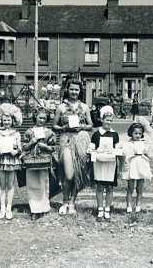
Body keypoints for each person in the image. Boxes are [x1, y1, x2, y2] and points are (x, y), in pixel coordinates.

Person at [53, 78, 93, 215]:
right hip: (66, 140)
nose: (74, 92)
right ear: (67, 90)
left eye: (76, 89)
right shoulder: (61, 107)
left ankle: (71, 203)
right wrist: (63, 127)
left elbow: (90, 125)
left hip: (81, 140)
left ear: (80, 91)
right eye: (71, 89)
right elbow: (54, 126)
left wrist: (82, 126)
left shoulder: (85, 107)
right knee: (68, 174)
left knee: (78, 174)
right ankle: (64, 200)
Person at [22, 108, 56, 221]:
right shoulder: (29, 132)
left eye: (44, 118)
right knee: (32, 183)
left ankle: (44, 207)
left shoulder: (49, 132)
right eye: (40, 117)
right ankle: (34, 208)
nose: (41, 120)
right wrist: (32, 142)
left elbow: (53, 148)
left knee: (43, 183)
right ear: (35, 117)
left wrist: (44, 146)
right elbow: (24, 147)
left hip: (44, 161)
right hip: (31, 160)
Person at [0, 103, 23, 220]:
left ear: (12, 120)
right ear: (1, 120)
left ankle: (9, 208)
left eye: (8, 120)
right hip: (1, 159)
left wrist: (16, 151)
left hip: (12, 160)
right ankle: (2, 207)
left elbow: (20, 148)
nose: (6, 122)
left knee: (10, 184)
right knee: (2, 184)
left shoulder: (16, 133)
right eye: (4, 120)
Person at [89, 106, 120, 220]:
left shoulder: (114, 134)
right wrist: (94, 155)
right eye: (107, 120)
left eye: (111, 120)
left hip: (111, 163)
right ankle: (100, 208)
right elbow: (91, 149)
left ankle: (107, 208)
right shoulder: (97, 134)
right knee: (100, 187)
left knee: (110, 187)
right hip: (99, 163)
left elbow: (118, 149)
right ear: (102, 120)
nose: (109, 122)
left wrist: (116, 153)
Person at [122, 122, 152, 213]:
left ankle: (138, 205)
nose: (138, 135)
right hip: (132, 164)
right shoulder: (128, 143)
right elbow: (125, 154)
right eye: (135, 133)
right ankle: (129, 205)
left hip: (141, 164)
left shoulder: (143, 143)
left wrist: (147, 152)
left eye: (140, 133)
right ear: (131, 133)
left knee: (140, 187)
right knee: (130, 187)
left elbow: (148, 153)